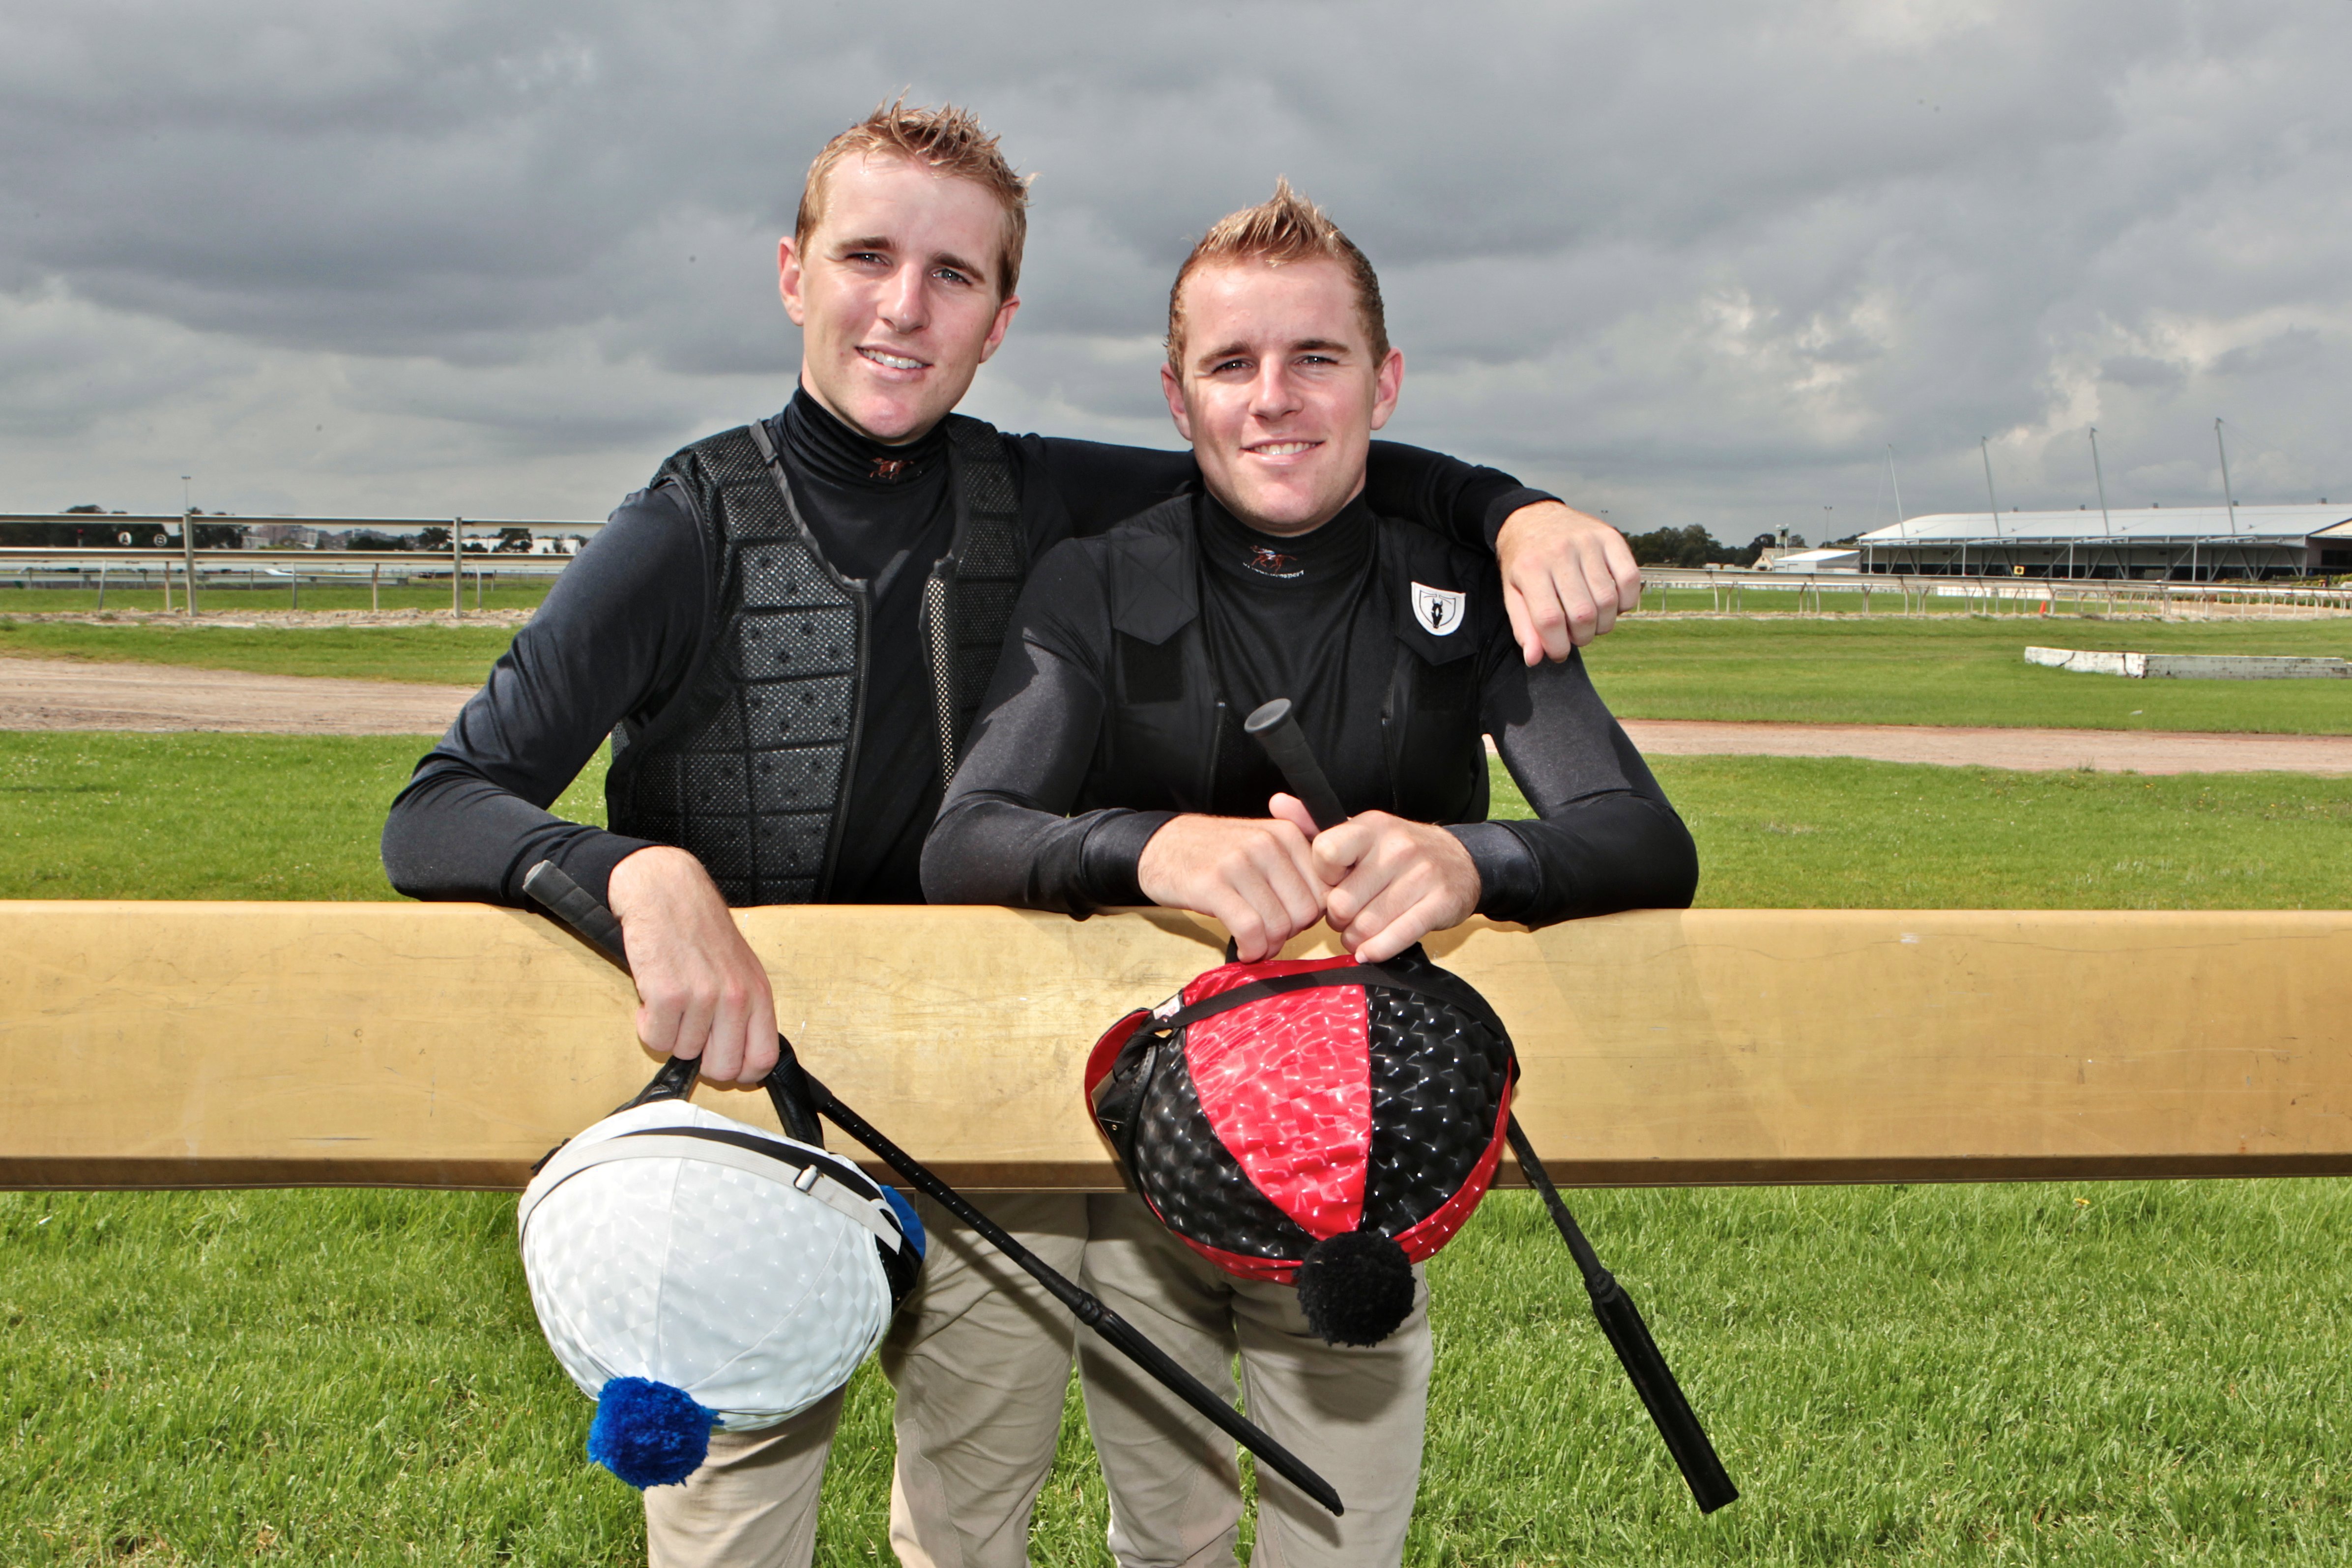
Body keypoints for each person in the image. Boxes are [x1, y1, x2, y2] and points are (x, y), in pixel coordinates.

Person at [380, 105, 1637, 1568]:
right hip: (737, 1106)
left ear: (1000, 316)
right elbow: (438, 804)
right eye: (865, 257)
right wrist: (623, 869)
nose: (902, 307)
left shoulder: (1040, 491)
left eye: (953, 275)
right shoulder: (688, 524)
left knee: (966, 1538)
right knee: (728, 1539)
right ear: (793, 274)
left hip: (987, 1118)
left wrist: (1513, 512)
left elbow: (1296, 442)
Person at [920, 180, 1697, 1567]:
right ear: (1178, 399)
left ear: (1384, 381)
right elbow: (966, 835)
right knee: (1165, 1541)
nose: (1273, 398)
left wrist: (1471, 857)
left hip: (1370, 1164)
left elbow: (1641, 839)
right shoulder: (1097, 581)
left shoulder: (1455, 586)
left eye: (1315, 359)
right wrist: (1150, 843)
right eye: (1231, 364)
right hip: (1143, 1155)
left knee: (1341, 1546)